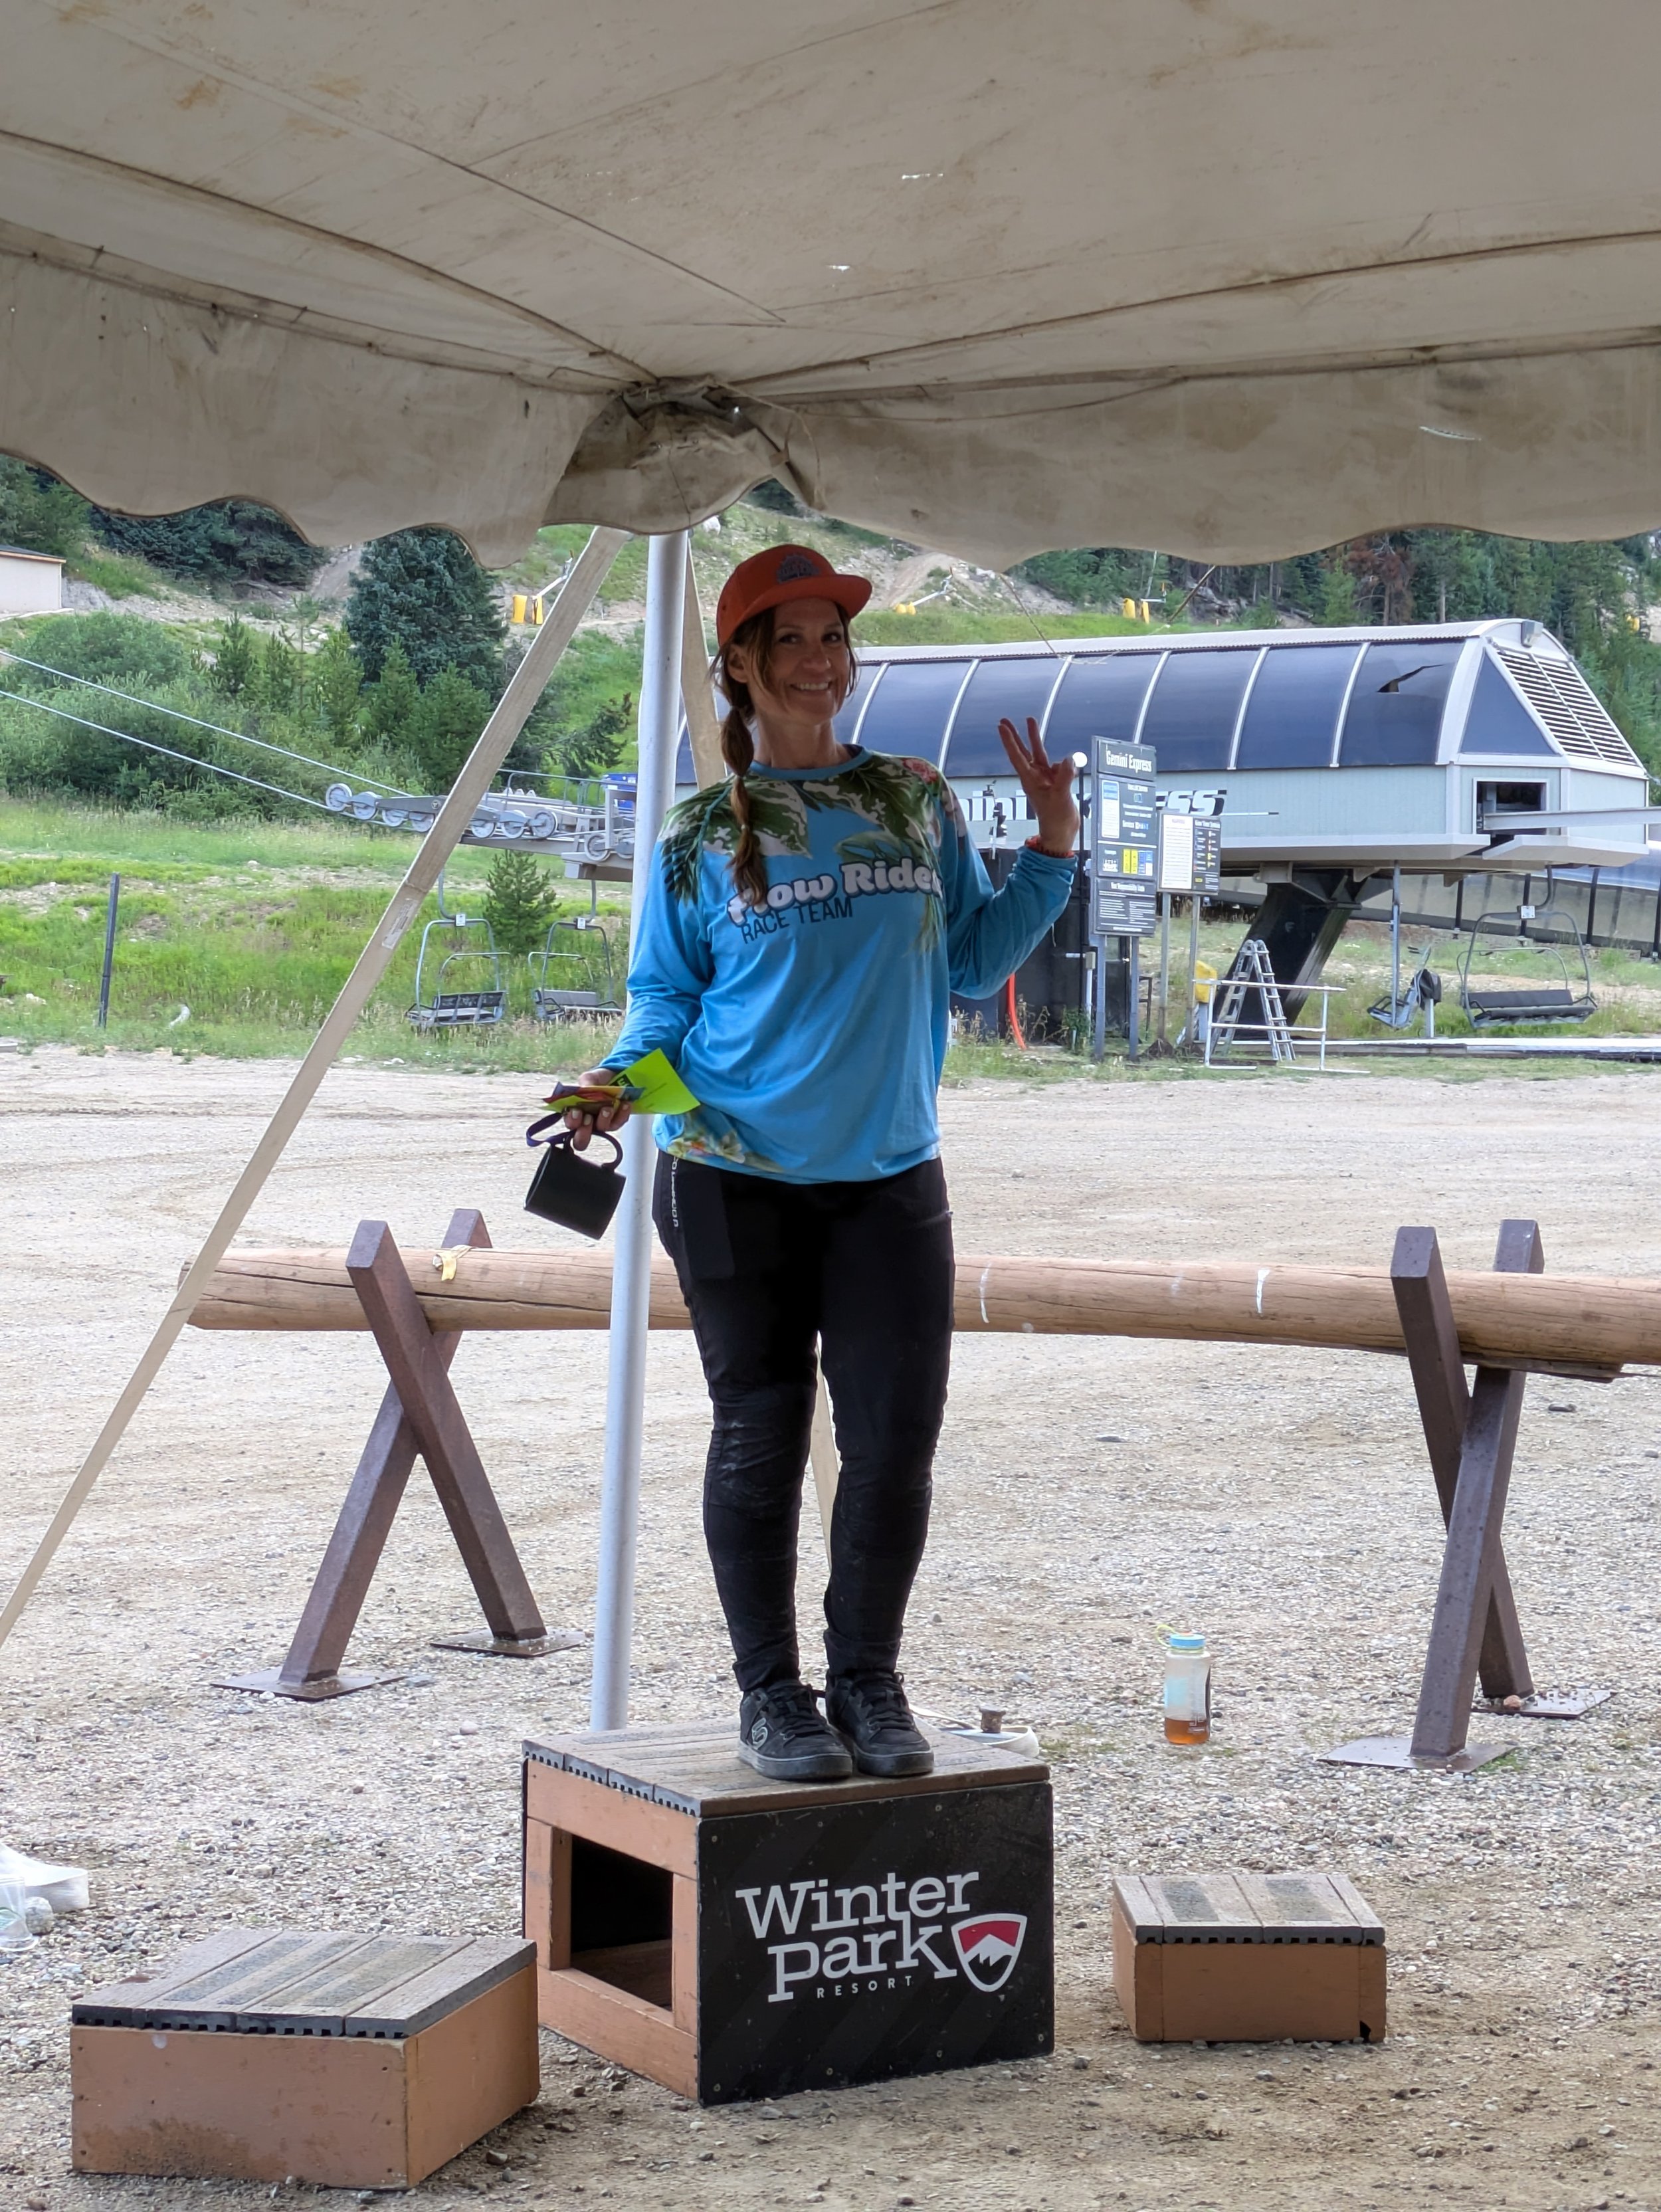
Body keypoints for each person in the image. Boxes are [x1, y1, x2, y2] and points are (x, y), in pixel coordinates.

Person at [566, 543, 1077, 1784]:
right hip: (732, 1172)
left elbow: (969, 962)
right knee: (762, 1430)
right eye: (790, 640)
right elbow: (664, 1000)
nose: (819, 661)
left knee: (896, 1441)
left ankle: (869, 1681)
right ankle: (772, 1697)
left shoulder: (912, 796)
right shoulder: (699, 834)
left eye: (834, 638)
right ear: (739, 665)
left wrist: (1053, 846)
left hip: (892, 1176)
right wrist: (612, 1089)